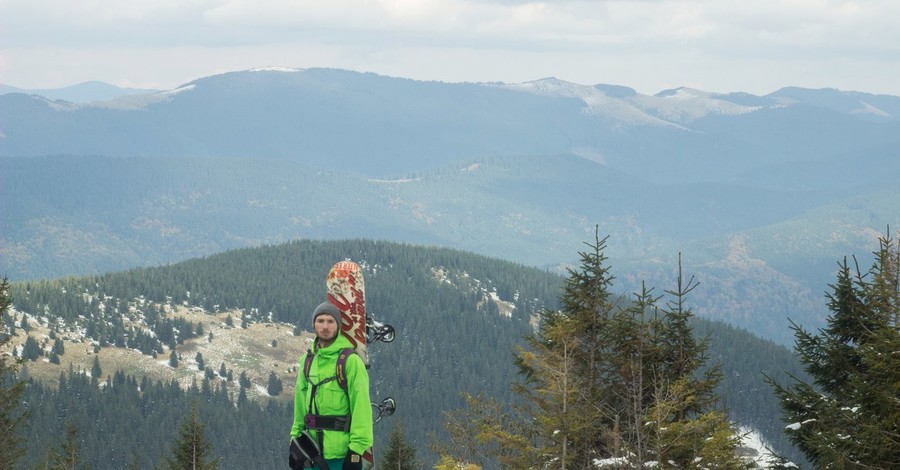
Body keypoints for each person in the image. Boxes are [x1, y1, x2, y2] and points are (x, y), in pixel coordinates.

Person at [290, 301, 373, 469]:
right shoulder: (307, 361)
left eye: (330, 321)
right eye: (320, 321)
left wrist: (356, 451)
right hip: (310, 451)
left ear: (338, 326)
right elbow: (300, 404)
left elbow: (361, 407)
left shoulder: (350, 362)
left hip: (341, 454)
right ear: (314, 324)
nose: (325, 326)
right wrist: (294, 441)